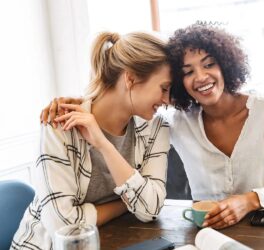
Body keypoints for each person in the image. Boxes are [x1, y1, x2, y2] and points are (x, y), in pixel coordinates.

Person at [40, 24, 264, 230]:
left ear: (227, 64)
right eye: (187, 72)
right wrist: (83, 105)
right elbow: (64, 221)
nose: (201, 77)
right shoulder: (178, 123)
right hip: (209, 234)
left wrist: (251, 200)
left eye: (210, 64)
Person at [12, 31, 171, 249]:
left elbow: (151, 208)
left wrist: (103, 145)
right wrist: (126, 203)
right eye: (164, 88)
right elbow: (63, 227)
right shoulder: (60, 125)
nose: (167, 100)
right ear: (130, 77)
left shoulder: (156, 128)